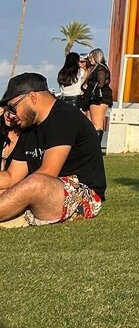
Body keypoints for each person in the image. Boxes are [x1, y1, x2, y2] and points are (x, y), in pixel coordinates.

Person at [0, 74, 106, 226]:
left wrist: (12, 193)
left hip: (83, 195)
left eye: (13, 107)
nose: (11, 114)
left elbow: (48, 173)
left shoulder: (64, 117)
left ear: (32, 97)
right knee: (19, 188)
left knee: (35, 182)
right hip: (43, 193)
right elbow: (12, 177)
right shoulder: (28, 127)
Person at [81, 49, 113, 141]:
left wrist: (89, 83)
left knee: (97, 124)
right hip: (94, 97)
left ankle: (96, 145)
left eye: (91, 58)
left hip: (99, 97)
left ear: (96, 57)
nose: (89, 60)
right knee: (91, 123)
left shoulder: (100, 68)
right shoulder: (96, 68)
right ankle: (91, 144)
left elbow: (101, 83)